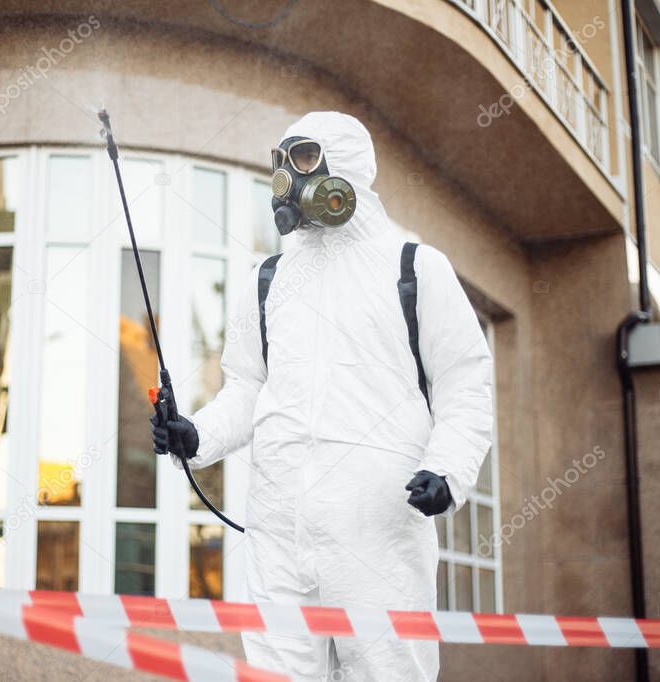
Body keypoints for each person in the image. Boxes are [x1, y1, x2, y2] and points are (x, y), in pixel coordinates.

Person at [151, 111, 493, 681]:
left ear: (348, 167)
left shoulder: (415, 268)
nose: (289, 176)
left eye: (304, 158)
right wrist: (198, 435)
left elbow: (464, 381)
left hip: (379, 533)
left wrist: (449, 469)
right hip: (278, 537)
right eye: (280, 162)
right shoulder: (269, 281)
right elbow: (247, 389)